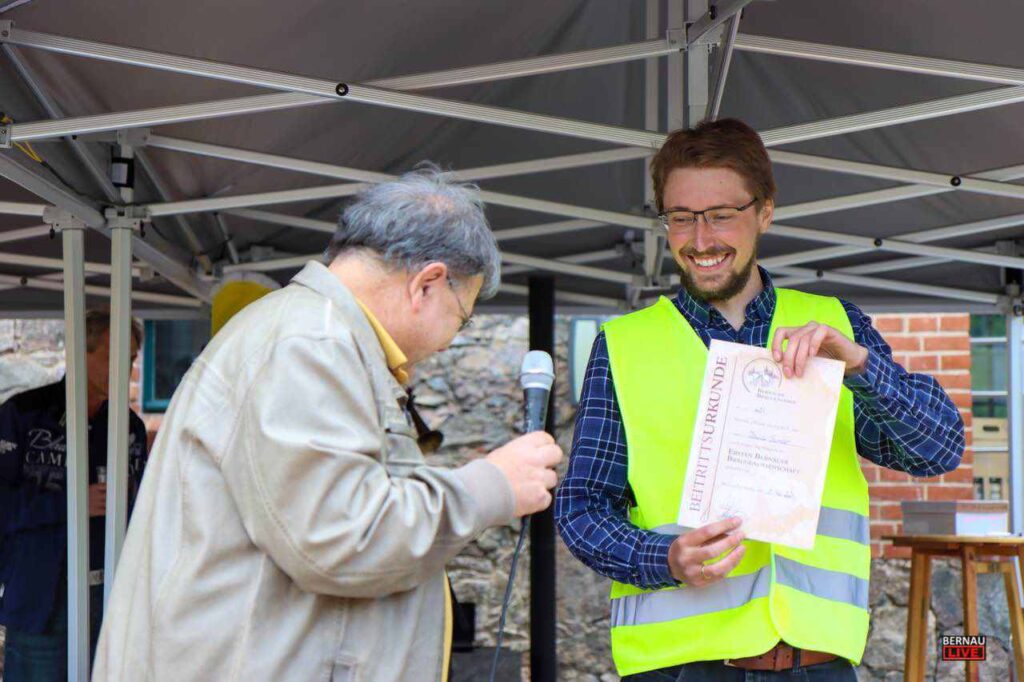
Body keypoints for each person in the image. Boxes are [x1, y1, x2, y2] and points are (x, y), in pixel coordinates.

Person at [92, 167, 563, 682]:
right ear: (427, 284)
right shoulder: (310, 344)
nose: (453, 338)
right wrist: (490, 486)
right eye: (462, 316)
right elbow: (343, 537)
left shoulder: (316, 336)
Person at [555, 119, 965, 681]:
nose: (701, 240)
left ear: (764, 212)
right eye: (681, 217)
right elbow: (582, 508)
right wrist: (664, 558)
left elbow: (938, 449)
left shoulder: (836, 328)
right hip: (680, 668)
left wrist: (861, 368)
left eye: (721, 215)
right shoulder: (624, 346)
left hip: (817, 664)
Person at [0, 310, 147, 681]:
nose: (125, 370)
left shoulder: (129, 427)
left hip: (111, 596)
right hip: (40, 598)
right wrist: (71, 504)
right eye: (114, 357)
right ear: (81, 352)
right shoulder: (24, 414)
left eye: (130, 359)